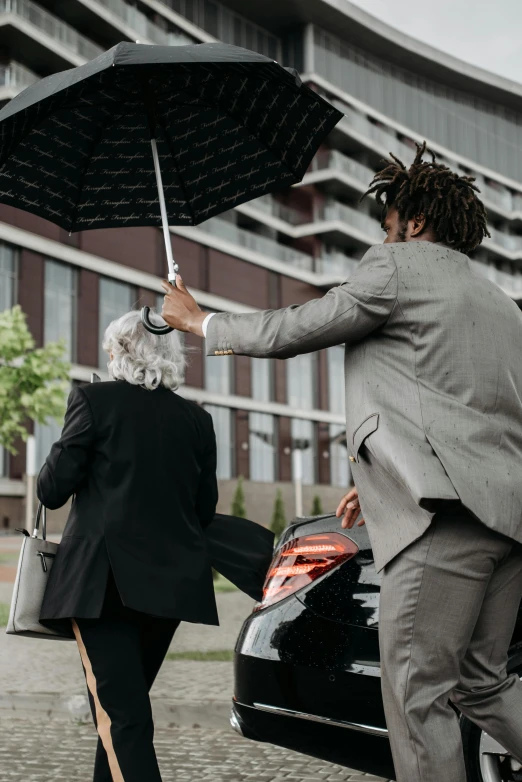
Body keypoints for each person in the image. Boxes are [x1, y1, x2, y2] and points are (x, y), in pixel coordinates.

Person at [160, 142, 522, 782]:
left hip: (442, 524)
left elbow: (298, 327)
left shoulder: (396, 268)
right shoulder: (501, 305)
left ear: (410, 223)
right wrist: (378, 476)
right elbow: (465, 413)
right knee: (482, 682)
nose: (382, 238)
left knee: (415, 694)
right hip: (509, 522)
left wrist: (201, 322)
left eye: (386, 226)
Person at [37, 310, 218, 782]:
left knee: (122, 719)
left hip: (104, 587)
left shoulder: (93, 400)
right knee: (120, 717)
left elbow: (51, 489)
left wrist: (73, 431)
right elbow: (204, 510)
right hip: (169, 589)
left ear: (121, 351)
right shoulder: (198, 421)